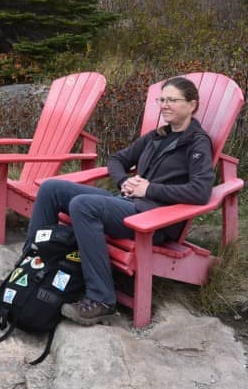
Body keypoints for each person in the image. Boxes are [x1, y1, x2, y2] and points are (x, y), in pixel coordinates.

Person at [25, 75, 214, 325]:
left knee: (83, 205)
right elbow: (116, 159)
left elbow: (200, 191)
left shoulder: (197, 143)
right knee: (51, 188)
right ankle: (31, 264)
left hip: (153, 219)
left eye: (172, 100)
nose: (165, 105)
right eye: (162, 100)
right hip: (127, 204)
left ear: (192, 105)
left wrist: (150, 189)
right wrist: (124, 181)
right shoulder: (157, 136)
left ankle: (101, 298)